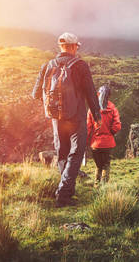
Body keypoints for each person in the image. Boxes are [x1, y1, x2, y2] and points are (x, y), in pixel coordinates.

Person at [32, 32, 101, 207]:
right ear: (72, 47)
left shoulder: (48, 65)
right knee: (76, 153)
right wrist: (97, 115)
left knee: (62, 153)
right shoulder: (80, 66)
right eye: (76, 47)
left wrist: (54, 105)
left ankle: (67, 191)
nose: (76, 49)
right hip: (76, 117)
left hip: (56, 118)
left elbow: (35, 94)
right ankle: (63, 194)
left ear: (60, 46)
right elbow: (91, 93)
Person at [87, 85, 121, 185]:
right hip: (108, 143)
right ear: (109, 96)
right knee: (106, 165)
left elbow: (88, 128)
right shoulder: (113, 108)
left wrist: (86, 140)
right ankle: (104, 186)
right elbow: (117, 125)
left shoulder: (92, 109)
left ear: (98, 94)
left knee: (98, 166)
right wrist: (111, 132)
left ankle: (96, 184)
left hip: (95, 144)